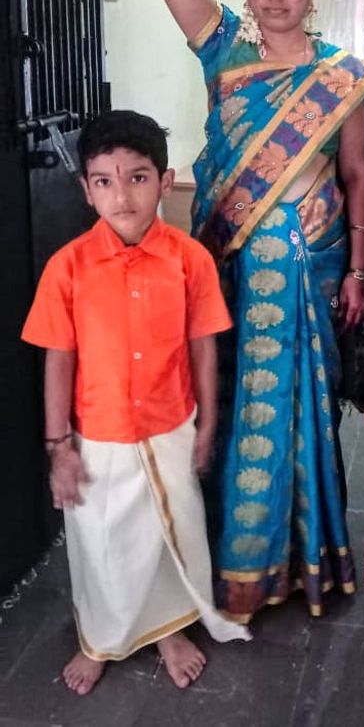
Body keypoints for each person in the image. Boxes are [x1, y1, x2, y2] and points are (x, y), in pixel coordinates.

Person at [142, 0, 364, 622]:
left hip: (313, 273)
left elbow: (358, 177)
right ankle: (237, 560)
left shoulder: (340, 75)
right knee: (235, 403)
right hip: (231, 268)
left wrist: (357, 270)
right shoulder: (224, 49)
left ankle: (300, 561)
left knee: (301, 411)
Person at [21, 111, 248, 696]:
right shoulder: (66, 268)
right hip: (97, 431)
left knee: (173, 533)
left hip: (170, 422)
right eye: (104, 180)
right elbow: (58, 361)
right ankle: (100, 637)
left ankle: (170, 630)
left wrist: (206, 426)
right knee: (101, 543)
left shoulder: (188, 259)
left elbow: (203, 348)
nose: (121, 195)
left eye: (137, 178)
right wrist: (58, 447)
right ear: (86, 187)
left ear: (164, 180)